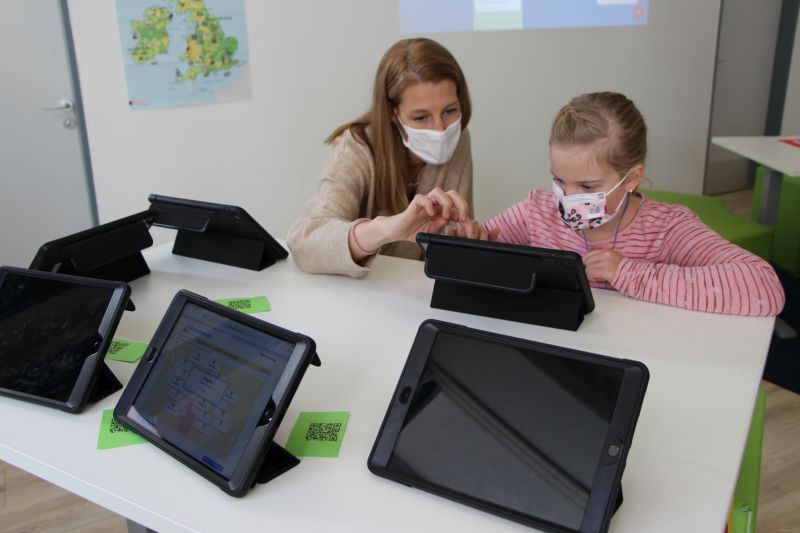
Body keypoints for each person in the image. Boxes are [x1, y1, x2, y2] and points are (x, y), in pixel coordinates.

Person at [460, 92, 785, 316]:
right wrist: (471, 242)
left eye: (587, 186)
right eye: (559, 180)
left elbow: (764, 286)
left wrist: (627, 273)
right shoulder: (537, 211)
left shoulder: (666, 228)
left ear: (631, 179)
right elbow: (475, 260)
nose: (568, 198)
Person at [287, 38, 477, 277]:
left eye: (450, 110)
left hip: (415, 288)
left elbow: (450, 241)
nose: (440, 130)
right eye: (421, 117)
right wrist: (384, 230)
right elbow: (305, 242)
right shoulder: (354, 147)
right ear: (392, 113)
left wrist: (466, 242)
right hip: (359, 291)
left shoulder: (458, 137)